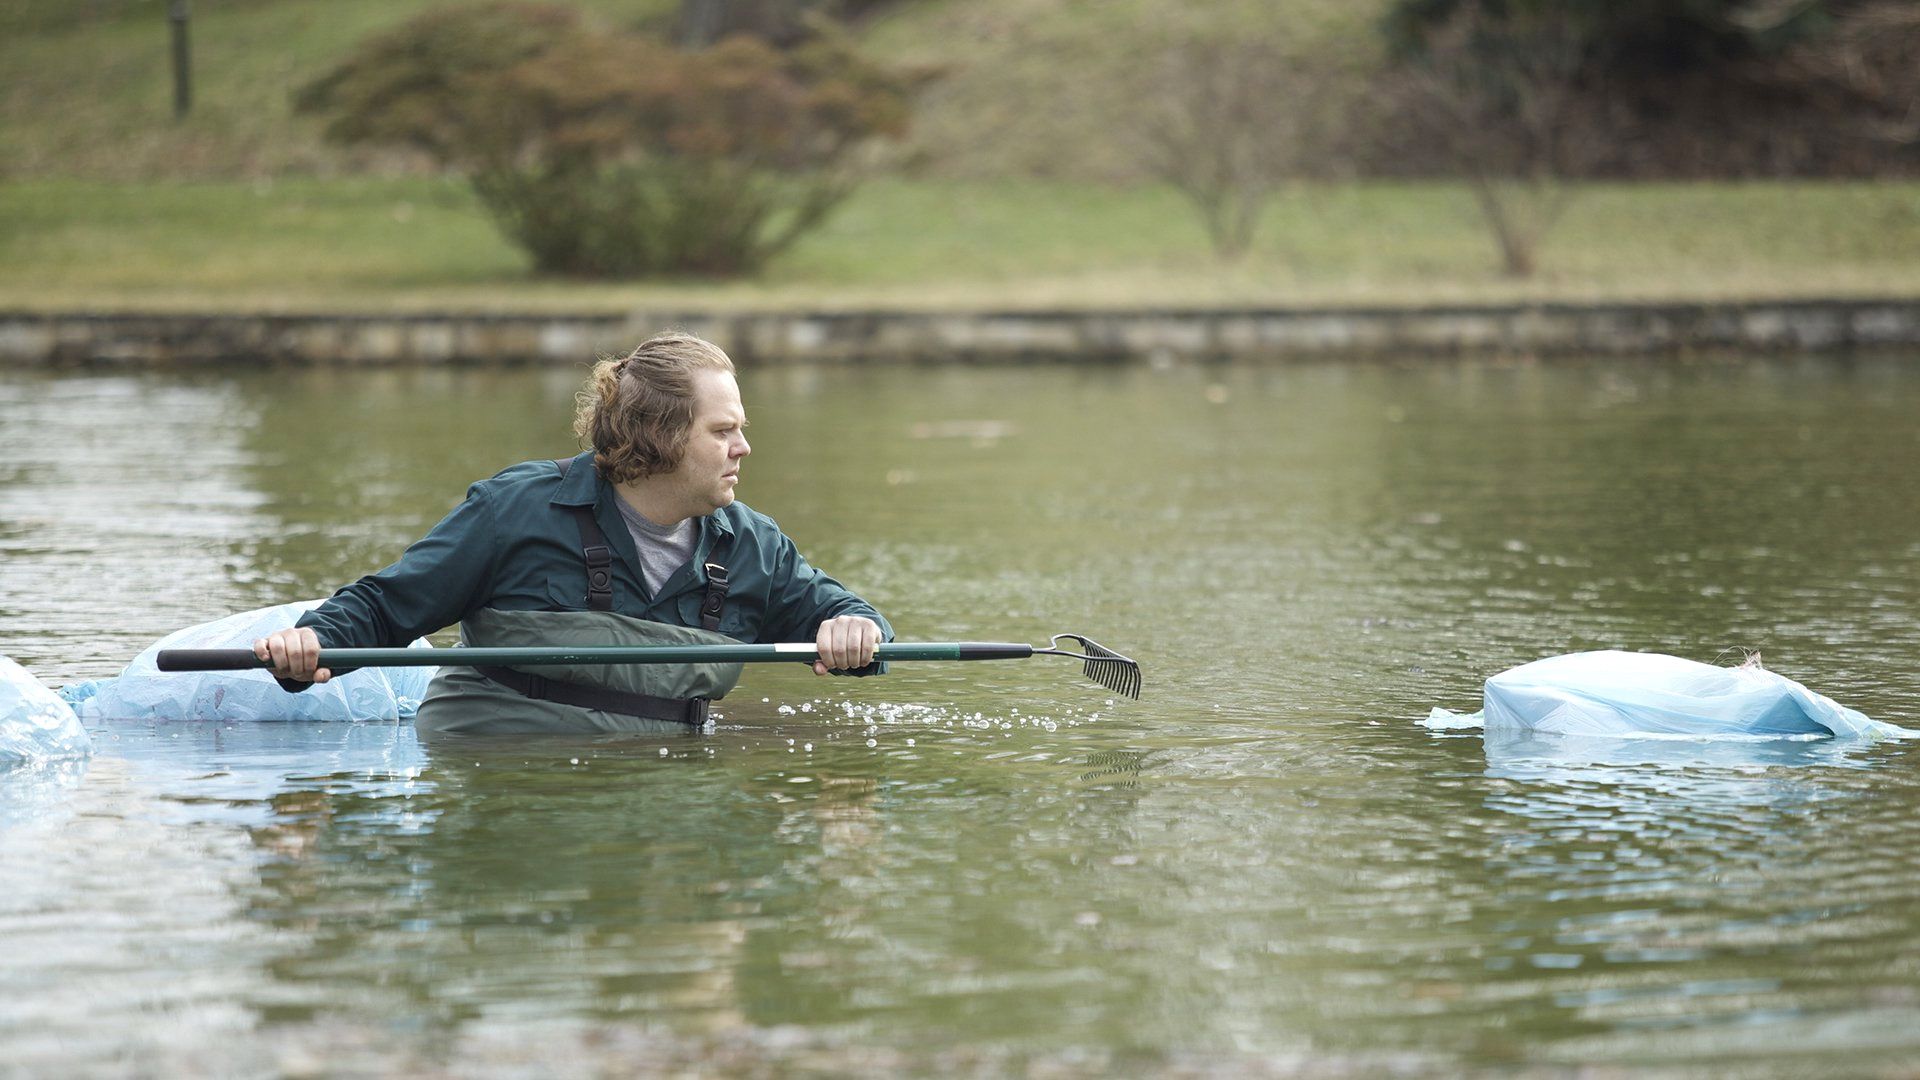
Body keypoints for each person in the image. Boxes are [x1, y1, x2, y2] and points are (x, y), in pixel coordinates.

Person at [254, 332, 889, 733]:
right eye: (722, 431)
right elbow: (386, 606)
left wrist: (858, 630)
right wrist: (313, 642)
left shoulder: (752, 544)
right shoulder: (516, 509)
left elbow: (846, 614)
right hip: (509, 775)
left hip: (663, 803)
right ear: (661, 435)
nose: (744, 448)